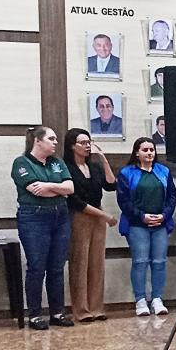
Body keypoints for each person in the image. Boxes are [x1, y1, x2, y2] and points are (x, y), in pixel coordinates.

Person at [12, 127, 76, 330]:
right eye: (51, 138)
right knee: (37, 267)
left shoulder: (57, 162)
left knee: (57, 267)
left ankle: (57, 313)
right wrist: (58, 189)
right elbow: (34, 190)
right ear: (38, 141)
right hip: (34, 218)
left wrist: (48, 186)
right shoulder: (22, 163)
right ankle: (35, 315)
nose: (56, 142)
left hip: (60, 216)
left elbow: (70, 189)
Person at [116, 137, 176, 317]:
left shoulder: (164, 171)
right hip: (137, 224)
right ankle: (140, 300)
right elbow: (123, 200)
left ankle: (157, 298)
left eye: (152, 150)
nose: (149, 153)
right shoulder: (127, 173)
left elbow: (172, 196)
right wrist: (142, 216)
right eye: (145, 150)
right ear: (137, 153)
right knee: (140, 262)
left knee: (159, 262)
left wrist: (164, 216)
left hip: (160, 224)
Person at [63, 128, 116, 323]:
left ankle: (96, 307)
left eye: (89, 142)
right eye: (83, 143)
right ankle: (81, 309)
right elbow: (74, 201)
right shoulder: (66, 167)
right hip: (79, 216)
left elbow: (111, 185)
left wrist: (103, 159)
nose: (87, 146)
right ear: (72, 146)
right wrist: (104, 215)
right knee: (80, 262)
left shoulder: (94, 166)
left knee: (97, 263)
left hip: (98, 215)